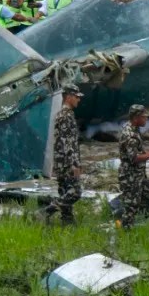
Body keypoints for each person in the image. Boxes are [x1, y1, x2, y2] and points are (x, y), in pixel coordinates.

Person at [116, 104, 149, 225]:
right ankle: (127, 228)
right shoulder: (130, 135)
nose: (146, 119)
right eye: (144, 117)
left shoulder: (135, 129)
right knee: (131, 205)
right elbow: (134, 158)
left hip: (139, 174)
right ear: (136, 118)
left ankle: (144, 219)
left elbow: (137, 150)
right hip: (130, 175)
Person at [44, 87, 83, 225]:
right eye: (76, 96)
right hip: (67, 162)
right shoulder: (66, 116)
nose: (79, 99)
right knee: (75, 192)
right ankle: (46, 211)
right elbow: (68, 143)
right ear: (68, 97)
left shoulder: (63, 114)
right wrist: (74, 164)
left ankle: (68, 223)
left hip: (61, 161)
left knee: (65, 192)